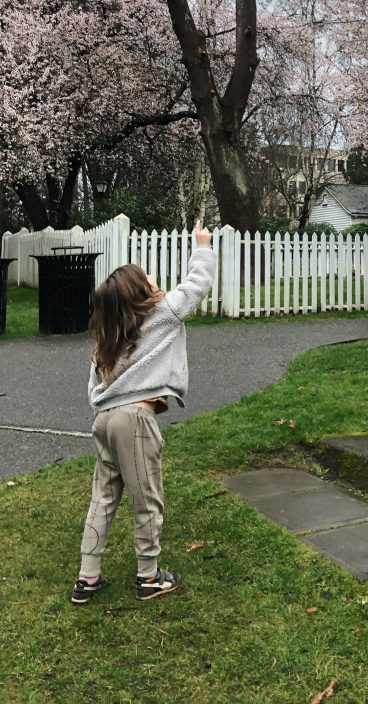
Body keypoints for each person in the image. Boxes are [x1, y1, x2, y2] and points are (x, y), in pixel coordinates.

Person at [71, 220, 216, 605]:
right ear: (139, 293)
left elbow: (94, 390)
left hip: (104, 421)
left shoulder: (108, 338)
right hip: (134, 422)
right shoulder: (162, 315)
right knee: (146, 498)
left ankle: (87, 578)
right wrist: (202, 245)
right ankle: (149, 576)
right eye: (146, 277)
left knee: (103, 498)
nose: (153, 277)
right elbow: (197, 286)